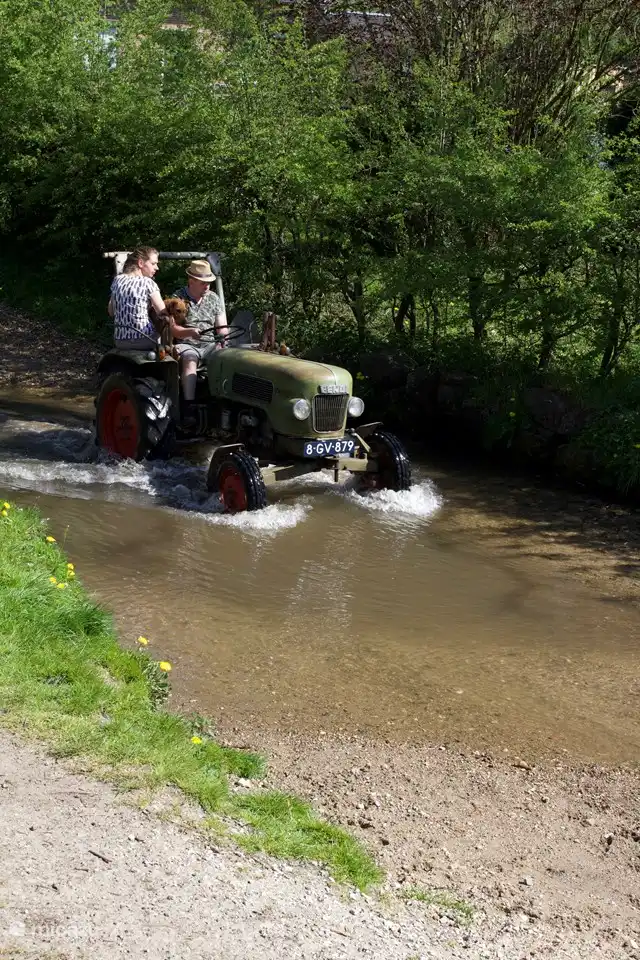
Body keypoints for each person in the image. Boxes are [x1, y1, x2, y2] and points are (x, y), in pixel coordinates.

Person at [108, 245, 200, 351]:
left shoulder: (118, 280)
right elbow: (163, 312)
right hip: (144, 339)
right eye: (153, 264)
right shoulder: (148, 283)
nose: (157, 267)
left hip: (120, 341)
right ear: (141, 263)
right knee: (166, 325)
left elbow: (111, 311)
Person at [171, 260, 228, 402]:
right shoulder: (178, 298)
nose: (207, 286)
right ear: (191, 281)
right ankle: (188, 404)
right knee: (190, 359)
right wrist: (189, 332)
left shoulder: (213, 298)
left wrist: (222, 341)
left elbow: (222, 327)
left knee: (227, 360)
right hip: (186, 343)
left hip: (209, 344)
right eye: (203, 283)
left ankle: (222, 402)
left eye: (209, 282)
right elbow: (173, 329)